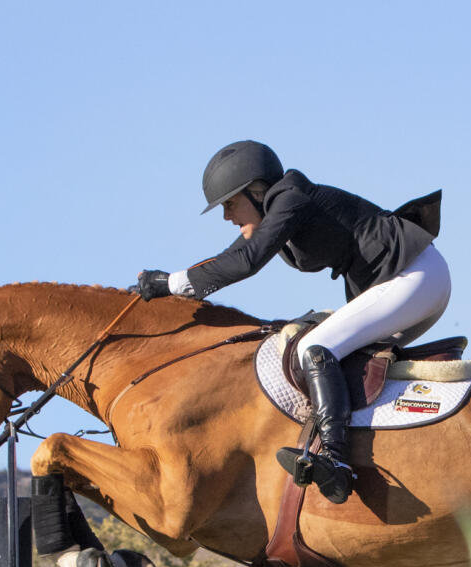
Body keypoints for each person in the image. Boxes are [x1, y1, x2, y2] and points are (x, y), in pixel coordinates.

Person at [136, 140, 450, 505]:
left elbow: (247, 261)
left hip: (413, 275)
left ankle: (336, 460)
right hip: (415, 279)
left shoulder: (291, 198)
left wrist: (170, 283)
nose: (227, 217)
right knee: (342, 356)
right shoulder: (284, 204)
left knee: (314, 349)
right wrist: (171, 288)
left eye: (229, 204)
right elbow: (236, 255)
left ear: (256, 192)